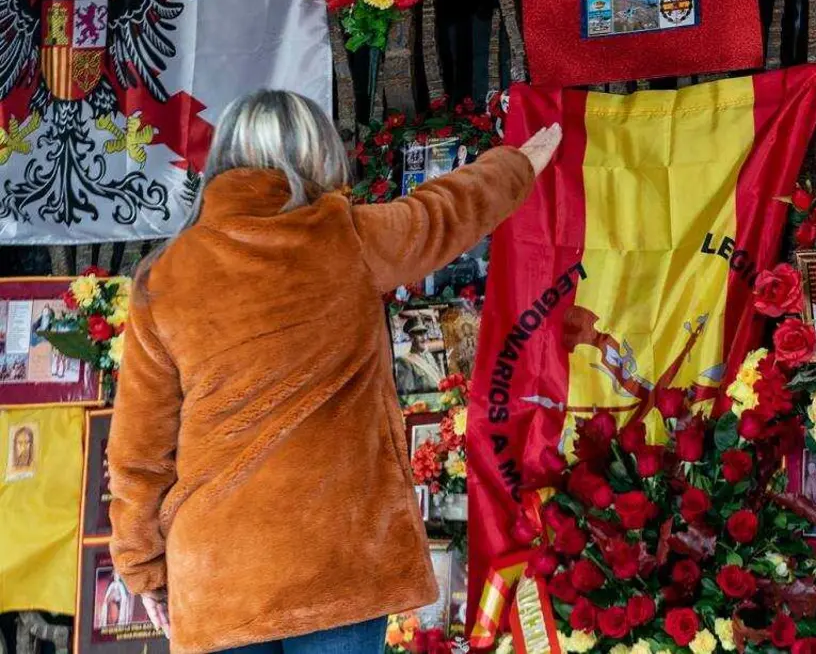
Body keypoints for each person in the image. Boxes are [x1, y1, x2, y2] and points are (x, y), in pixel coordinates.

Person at [107, 90, 561, 654]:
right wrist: (516, 164)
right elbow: (444, 212)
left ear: (223, 157)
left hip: (216, 573)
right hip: (339, 562)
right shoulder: (347, 238)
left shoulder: (164, 278)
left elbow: (137, 454)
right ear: (317, 154)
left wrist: (143, 569)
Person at [394, 316, 448, 393]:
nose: (424, 337)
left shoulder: (429, 356)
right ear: (411, 337)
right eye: (419, 334)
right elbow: (407, 395)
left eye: (424, 333)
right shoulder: (404, 361)